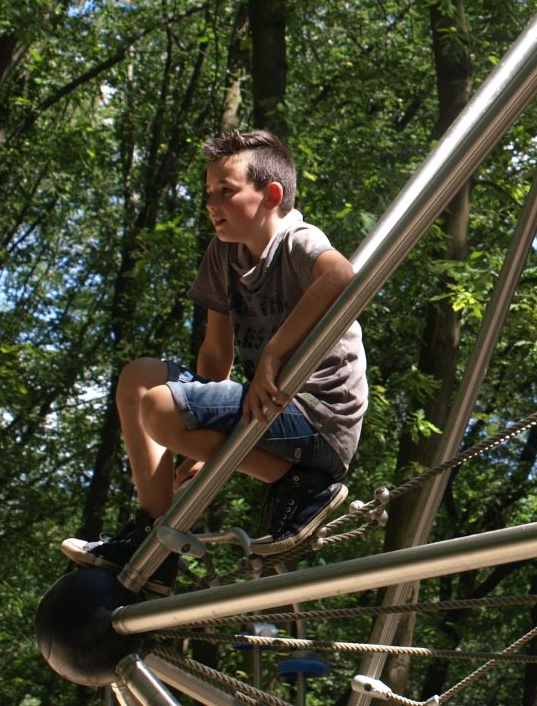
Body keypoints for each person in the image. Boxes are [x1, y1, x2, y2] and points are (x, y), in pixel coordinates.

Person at [62, 129, 368, 594]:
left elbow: (341, 275)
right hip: (271, 411)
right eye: (208, 193)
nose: (211, 203)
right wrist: (197, 430)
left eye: (225, 191)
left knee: (162, 409)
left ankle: (306, 485)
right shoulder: (222, 254)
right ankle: (152, 538)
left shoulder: (296, 239)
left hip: (319, 416)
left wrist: (272, 353)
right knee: (139, 380)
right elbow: (215, 353)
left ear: (271, 196)